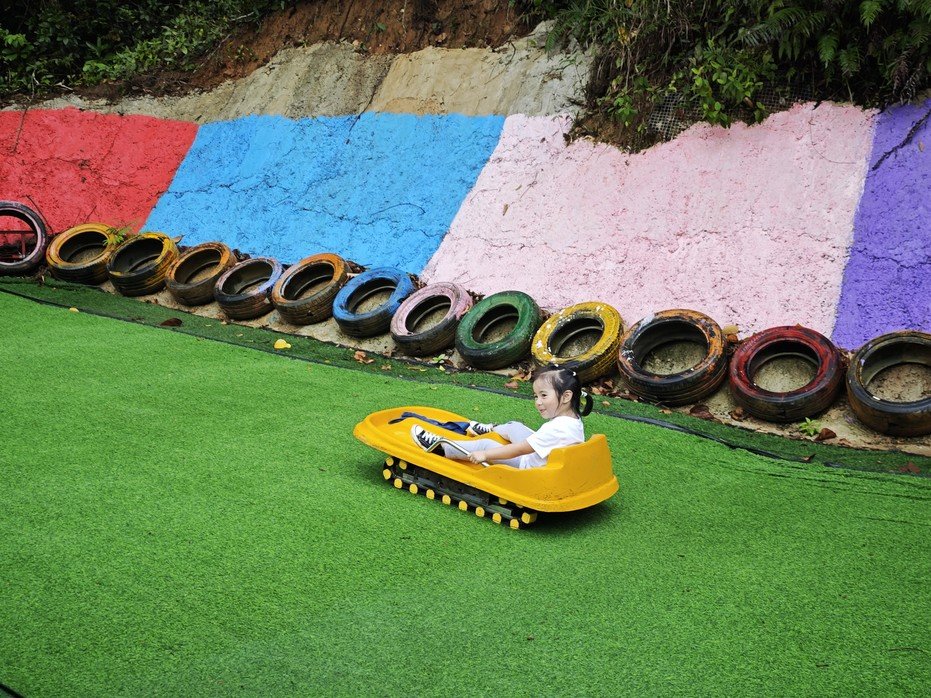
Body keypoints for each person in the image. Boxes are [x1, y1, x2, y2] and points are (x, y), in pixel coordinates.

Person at [410, 364, 593, 469]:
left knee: (485, 444)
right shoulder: (573, 420)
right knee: (515, 426)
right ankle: (489, 428)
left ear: (566, 396)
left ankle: (441, 447)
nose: (538, 402)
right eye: (536, 396)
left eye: (544, 396)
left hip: (527, 465)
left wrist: (485, 454)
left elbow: (519, 450)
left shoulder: (555, 429)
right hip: (541, 456)